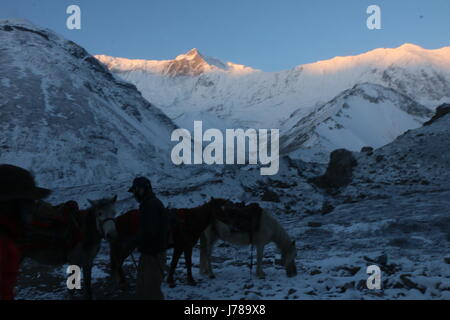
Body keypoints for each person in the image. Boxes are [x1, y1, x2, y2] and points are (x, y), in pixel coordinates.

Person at [0, 164, 51, 300]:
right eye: (28, 202)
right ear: (9, 205)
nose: (32, 208)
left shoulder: (9, 236)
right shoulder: (3, 245)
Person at [128, 177, 168, 300]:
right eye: (134, 190)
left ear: (145, 189)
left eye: (137, 190)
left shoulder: (151, 205)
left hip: (153, 255)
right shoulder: (148, 204)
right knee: (143, 287)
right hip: (148, 253)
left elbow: (149, 231)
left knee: (151, 290)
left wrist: (132, 242)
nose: (135, 194)